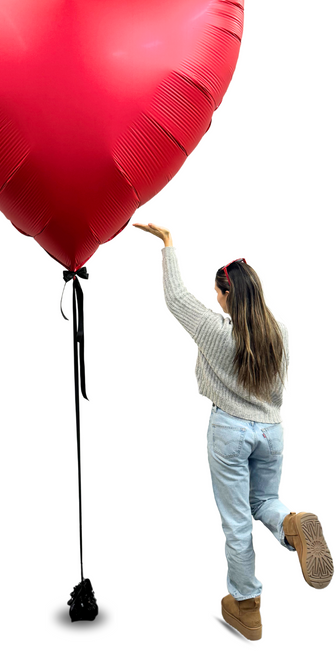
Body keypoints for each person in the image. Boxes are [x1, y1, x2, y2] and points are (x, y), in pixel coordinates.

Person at [133, 222, 333, 641]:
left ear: (228, 296)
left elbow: (176, 298)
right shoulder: (280, 335)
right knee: (264, 502)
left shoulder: (216, 331)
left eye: (218, 294)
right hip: (271, 432)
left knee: (238, 521)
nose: (215, 300)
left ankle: (246, 606)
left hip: (230, 430)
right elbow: (276, 389)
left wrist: (168, 244)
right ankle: (292, 524)